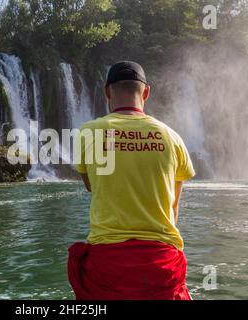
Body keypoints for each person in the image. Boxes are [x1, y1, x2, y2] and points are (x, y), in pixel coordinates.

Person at [68, 61, 196, 300]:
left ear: (107, 91)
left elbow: (92, 186)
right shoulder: (173, 138)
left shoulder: (89, 133)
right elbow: (174, 208)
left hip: (107, 265)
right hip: (161, 266)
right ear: (146, 92)